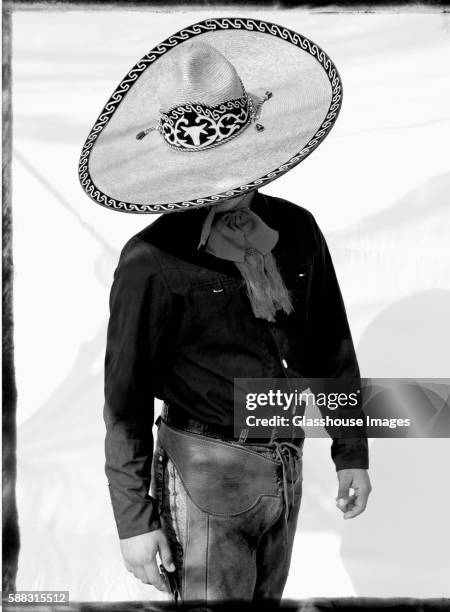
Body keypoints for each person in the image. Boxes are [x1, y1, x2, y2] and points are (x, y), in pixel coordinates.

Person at [79, 17, 371, 605]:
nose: (233, 178)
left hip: (287, 462)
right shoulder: (151, 261)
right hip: (203, 469)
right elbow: (125, 398)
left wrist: (351, 453)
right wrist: (135, 521)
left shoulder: (295, 229)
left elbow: (329, 346)